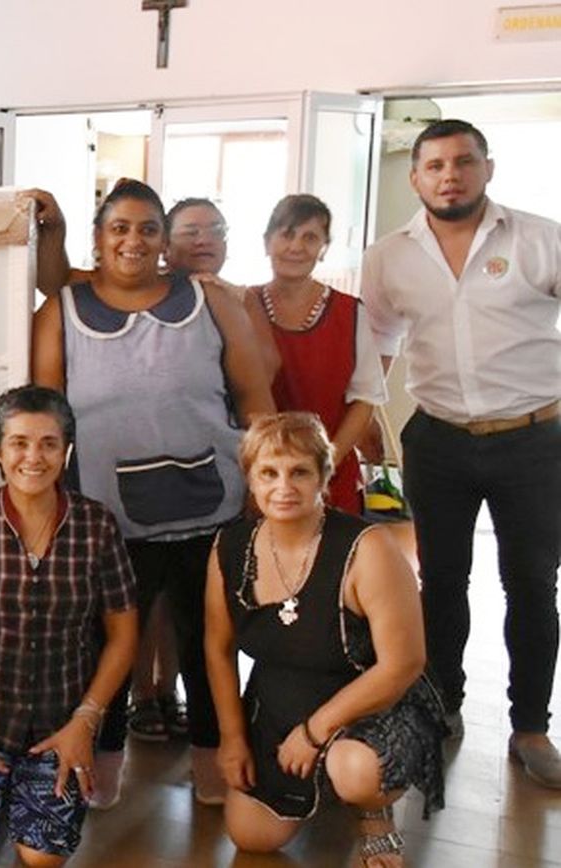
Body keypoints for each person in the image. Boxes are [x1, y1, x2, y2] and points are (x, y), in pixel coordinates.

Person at [31, 179, 275, 807]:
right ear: (99, 239)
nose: (132, 240)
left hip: (211, 510)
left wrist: (264, 489)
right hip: (107, 520)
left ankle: (217, 763)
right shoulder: (63, 310)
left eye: (146, 229)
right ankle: (101, 762)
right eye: (119, 228)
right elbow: (45, 420)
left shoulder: (211, 302)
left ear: (165, 242)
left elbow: (254, 398)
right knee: (108, 647)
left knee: (208, 644)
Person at [360, 118, 561, 787]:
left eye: (464, 161)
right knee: (441, 581)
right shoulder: (389, 256)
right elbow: (378, 345)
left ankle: (530, 726)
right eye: (436, 165)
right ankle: (443, 707)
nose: (451, 175)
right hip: (439, 439)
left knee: (532, 584)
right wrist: (367, 429)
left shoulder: (539, 239)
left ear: (487, 168)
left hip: (533, 441)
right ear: (416, 177)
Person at [204, 412, 445, 868]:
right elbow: (217, 647)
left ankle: (374, 812)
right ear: (250, 481)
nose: (283, 487)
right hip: (278, 703)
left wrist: (315, 732)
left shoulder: (367, 547)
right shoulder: (230, 547)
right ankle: (321, 789)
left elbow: (403, 664)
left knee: (355, 771)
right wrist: (232, 737)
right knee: (251, 836)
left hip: (374, 702)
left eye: (300, 472)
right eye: (268, 473)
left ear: (324, 476)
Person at [0, 386, 137, 867]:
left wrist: (85, 723)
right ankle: (2, 788)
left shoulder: (97, 526)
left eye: (48, 443)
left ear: (67, 452)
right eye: (19, 443)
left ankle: (25, 788)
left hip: (62, 721)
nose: (33, 457)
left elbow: (124, 636)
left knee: (41, 857)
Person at [125, 196, 235, 743]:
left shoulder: (231, 298)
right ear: (167, 243)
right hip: (134, 477)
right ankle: (146, 692)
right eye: (189, 230)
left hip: (215, 474)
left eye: (214, 229)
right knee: (143, 600)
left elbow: (258, 377)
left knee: (195, 607)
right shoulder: (137, 289)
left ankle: (175, 694)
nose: (203, 239)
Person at [248, 194, 386, 515]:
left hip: (331, 475)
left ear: (324, 248)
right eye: (286, 234)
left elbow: (364, 399)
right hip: (262, 478)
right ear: (267, 242)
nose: (296, 247)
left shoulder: (351, 312)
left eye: (310, 237)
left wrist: (325, 464)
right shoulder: (241, 305)